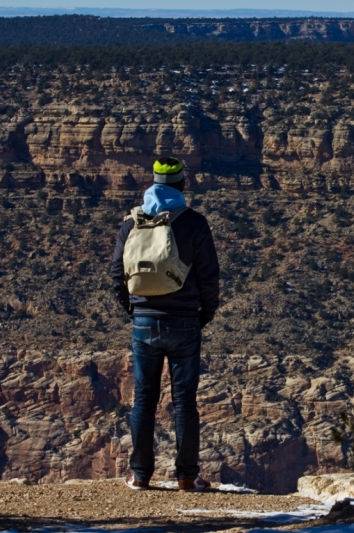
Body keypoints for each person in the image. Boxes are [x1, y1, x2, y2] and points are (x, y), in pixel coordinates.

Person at [110, 156, 220, 492]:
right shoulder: (194, 223)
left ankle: (140, 476)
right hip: (185, 322)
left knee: (144, 398)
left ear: (154, 184)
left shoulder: (132, 223)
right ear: (182, 185)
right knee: (185, 400)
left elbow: (117, 273)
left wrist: (134, 309)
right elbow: (209, 276)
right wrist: (205, 313)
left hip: (144, 322)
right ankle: (186, 475)